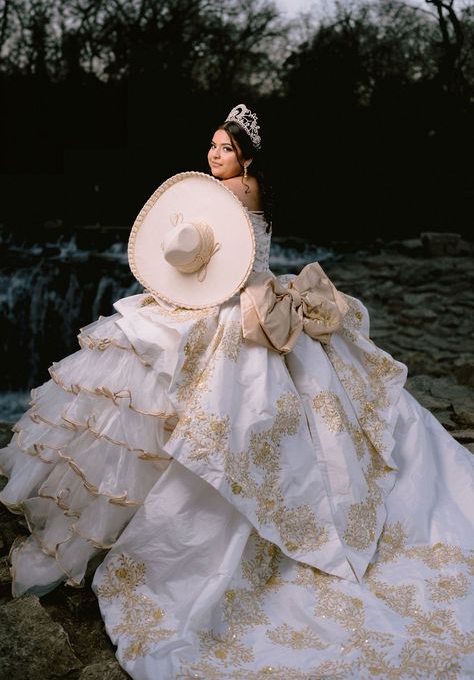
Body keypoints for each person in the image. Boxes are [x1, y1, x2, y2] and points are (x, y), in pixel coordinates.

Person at [1, 103, 473, 680]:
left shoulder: (233, 192)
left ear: (246, 158)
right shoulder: (238, 189)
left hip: (239, 304)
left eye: (224, 148)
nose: (213, 154)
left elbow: (202, 246)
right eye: (212, 146)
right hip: (235, 295)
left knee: (218, 398)